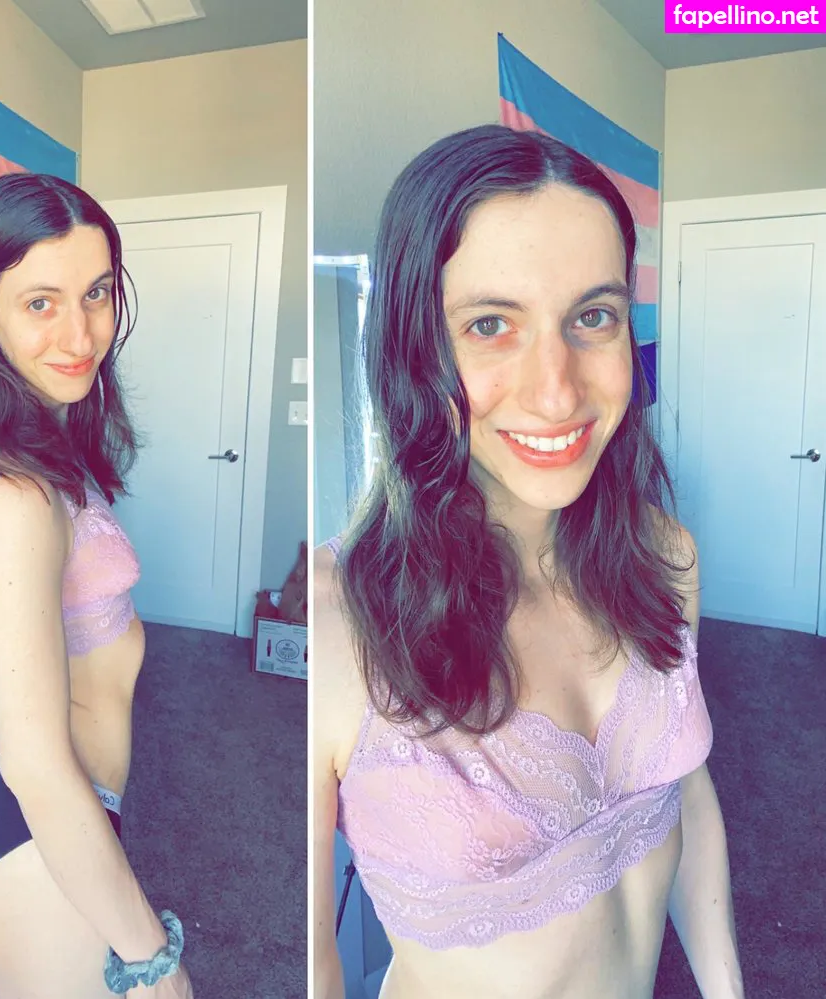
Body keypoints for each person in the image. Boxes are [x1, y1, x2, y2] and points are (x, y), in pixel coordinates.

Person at [313, 125, 744, 999]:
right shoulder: (341, 625)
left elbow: (682, 791)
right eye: (490, 324)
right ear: (413, 350)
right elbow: (313, 959)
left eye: (593, 316)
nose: (557, 390)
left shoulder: (665, 557)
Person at [0, 173, 193, 998]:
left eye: (97, 293)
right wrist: (151, 959)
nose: (81, 333)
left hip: (0, 795)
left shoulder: (2, 438)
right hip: (26, 815)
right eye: (41, 302)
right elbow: (38, 764)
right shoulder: (12, 497)